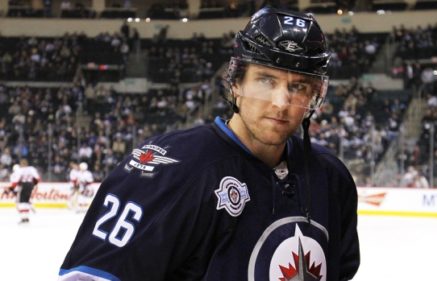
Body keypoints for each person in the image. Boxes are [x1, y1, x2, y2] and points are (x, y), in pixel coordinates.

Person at [59, 7, 360, 281]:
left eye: (298, 87)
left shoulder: (331, 178)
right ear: (236, 83)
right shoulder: (173, 169)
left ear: (314, 96)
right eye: (266, 80)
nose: (281, 102)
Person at [10, 159, 40, 224]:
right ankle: (26, 217)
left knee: (22, 203)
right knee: (26, 201)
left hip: (24, 185)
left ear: (21, 164)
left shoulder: (20, 170)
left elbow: (16, 181)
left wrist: (11, 188)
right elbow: (37, 178)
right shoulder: (31, 168)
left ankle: (23, 218)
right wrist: (33, 184)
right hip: (30, 185)